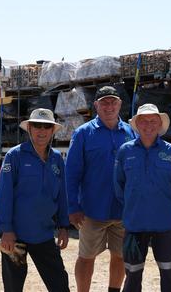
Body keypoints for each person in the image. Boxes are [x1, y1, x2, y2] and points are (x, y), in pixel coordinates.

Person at [65, 86, 136, 292]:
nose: (109, 106)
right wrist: (73, 207)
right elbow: (72, 173)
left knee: (120, 255)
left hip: (122, 210)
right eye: (104, 102)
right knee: (86, 257)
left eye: (113, 102)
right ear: (96, 105)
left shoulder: (130, 132)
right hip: (91, 210)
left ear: (120, 105)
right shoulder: (83, 134)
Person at [0, 108, 70, 292]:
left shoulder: (56, 160)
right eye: (37, 126)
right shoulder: (15, 156)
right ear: (29, 128)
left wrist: (63, 226)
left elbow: (62, 194)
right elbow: (3, 195)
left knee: (59, 284)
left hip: (44, 234)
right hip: (16, 236)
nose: (42, 130)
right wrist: (6, 229)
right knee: (13, 287)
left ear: (53, 130)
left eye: (47, 126)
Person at [114, 104, 171, 292]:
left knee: (168, 272)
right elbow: (119, 186)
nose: (148, 125)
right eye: (143, 121)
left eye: (153, 121)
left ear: (160, 123)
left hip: (165, 224)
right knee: (132, 274)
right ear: (136, 124)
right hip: (134, 224)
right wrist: (133, 205)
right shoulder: (125, 151)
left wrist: (162, 205)